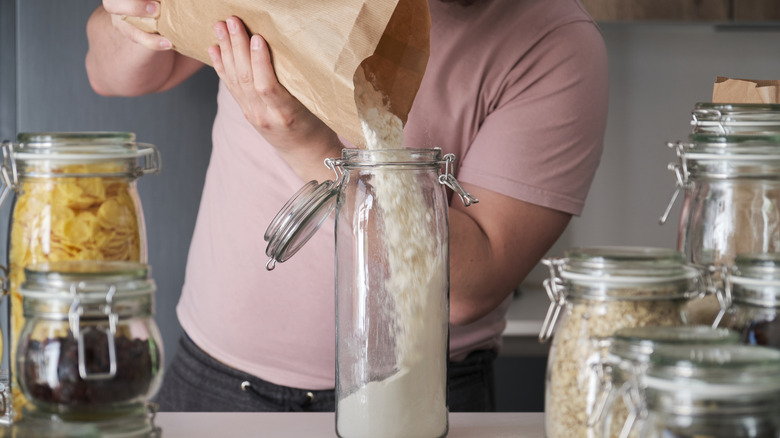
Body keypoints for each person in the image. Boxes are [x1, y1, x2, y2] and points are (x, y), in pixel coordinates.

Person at [85, 0, 608, 412]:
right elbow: (112, 74)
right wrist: (136, 15)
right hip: (213, 380)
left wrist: (308, 147)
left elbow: (470, 287)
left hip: (412, 399)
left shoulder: (554, 42)